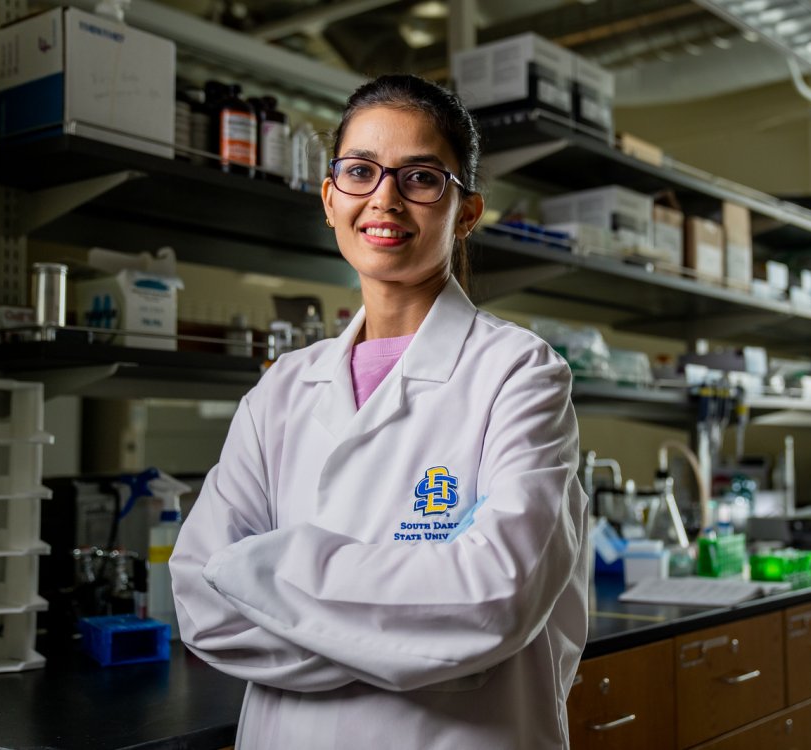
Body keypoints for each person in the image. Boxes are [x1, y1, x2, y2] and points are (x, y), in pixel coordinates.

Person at [170, 74, 590, 749]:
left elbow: (492, 601)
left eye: (421, 178)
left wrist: (262, 577)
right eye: (360, 172)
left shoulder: (518, 373)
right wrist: (415, 646)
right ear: (329, 197)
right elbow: (200, 599)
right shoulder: (280, 391)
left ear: (467, 211)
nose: (385, 199)